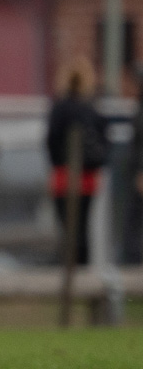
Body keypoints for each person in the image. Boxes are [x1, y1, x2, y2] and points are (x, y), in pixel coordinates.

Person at [47, 56, 109, 267]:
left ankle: (69, 272)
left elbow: (51, 141)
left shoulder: (59, 108)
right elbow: (104, 141)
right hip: (88, 178)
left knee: (68, 230)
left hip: (63, 176)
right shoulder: (92, 109)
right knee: (83, 228)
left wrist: (59, 165)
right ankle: (83, 272)